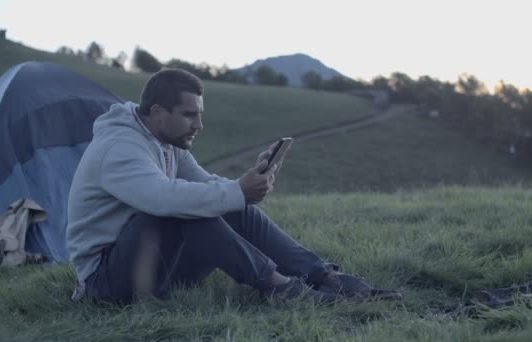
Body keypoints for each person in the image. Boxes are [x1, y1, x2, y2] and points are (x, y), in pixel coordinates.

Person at [66, 68, 402, 304]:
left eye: (199, 114)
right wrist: (237, 191)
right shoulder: (120, 148)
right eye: (189, 115)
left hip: (155, 268)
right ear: (156, 111)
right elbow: (163, 199)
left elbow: (208, 185)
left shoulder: (166, 142)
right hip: (107, 283)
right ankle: (280, 289)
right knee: (184, 208)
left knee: (224, 205)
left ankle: (324, 277)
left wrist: (246, 183)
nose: (199, 125)